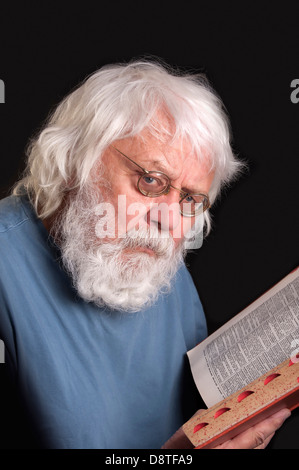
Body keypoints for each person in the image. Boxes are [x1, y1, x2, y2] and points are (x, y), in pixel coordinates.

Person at [0, 60, 290, 449]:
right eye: (151, 180)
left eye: (190, 198)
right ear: (73, 160)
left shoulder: (160, 269)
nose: (169, 221)